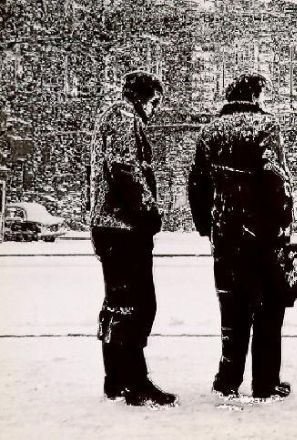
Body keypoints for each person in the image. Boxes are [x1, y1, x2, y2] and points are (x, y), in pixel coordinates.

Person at [188, 73, 294, 400]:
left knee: (232, 308)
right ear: (256, 96)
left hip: (226, 233)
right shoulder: (265, 126)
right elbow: (275, 178)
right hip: (263, 234)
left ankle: (227, 380)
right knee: (268, 309)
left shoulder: (210, 131)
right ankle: (265, 382)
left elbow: (197, 184)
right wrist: (283, 222)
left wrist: (207, 225)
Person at [90, 70, 177, 407]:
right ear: (143, 97)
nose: (155, 109)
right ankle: (134, 381)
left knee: (117, 304)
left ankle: (116, 378)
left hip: (108, 225)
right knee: (138, 304)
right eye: (155, 101)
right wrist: (148, 211)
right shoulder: (125, 119)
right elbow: (125, 169)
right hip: (124, 227)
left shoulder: (110, 117)